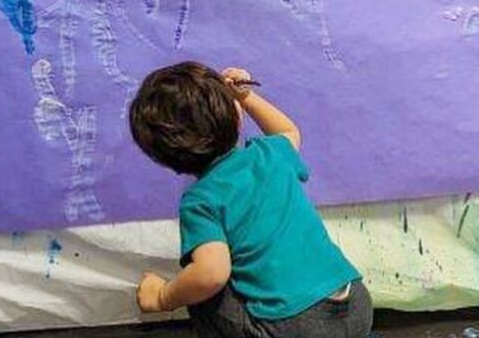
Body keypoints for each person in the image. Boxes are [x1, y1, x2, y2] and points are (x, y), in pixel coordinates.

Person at [128, 61, 373, 337]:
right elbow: (289, 132)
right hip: (356, 306)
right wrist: (246, 97)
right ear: (237, 115)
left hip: (296, 328)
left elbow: (211, 274)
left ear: (162, 157)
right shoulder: (270, 154)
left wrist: (162, 297)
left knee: (200, 290)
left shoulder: (200, 201)